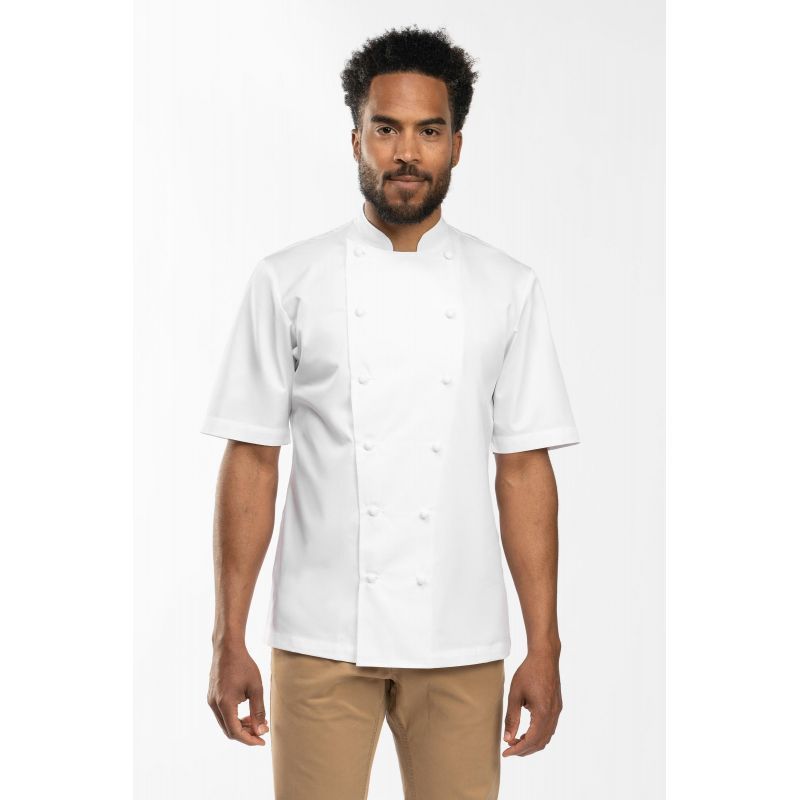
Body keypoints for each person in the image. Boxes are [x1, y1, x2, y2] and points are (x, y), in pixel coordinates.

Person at [202, 24, 580, 800]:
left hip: (460, 639)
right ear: (356, 140)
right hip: (318, 637)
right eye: (386, 129)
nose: (407, 152)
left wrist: (544, 645)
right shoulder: (287, 281)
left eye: (428, 131)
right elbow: (253, 459)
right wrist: (226, 635)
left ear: (457, 146)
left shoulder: (508, 288)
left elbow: (523, 470)